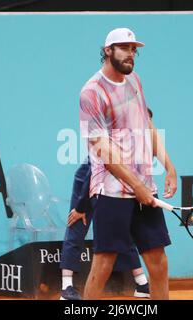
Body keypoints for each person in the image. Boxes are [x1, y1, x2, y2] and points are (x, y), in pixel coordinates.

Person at [80, 28, 177, 300]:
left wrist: (169, 166)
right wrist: (136, 186)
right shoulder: (91, 93)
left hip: (145, 185)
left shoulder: (134, 80)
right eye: (124, 47)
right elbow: (103, 151)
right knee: (104, 263)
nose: (131, 53)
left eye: (134, 49)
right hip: (112, 190)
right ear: (108, 50)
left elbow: (147, 124)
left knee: (158, 260)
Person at [59, 108, 155, 301]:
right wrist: (81, 206)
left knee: (122, 229)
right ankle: (66, 287)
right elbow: (92, 175)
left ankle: (142, 283)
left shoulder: (141, 143)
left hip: (113, 187)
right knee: (77, 224)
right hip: (89, 179)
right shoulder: (113, 140)